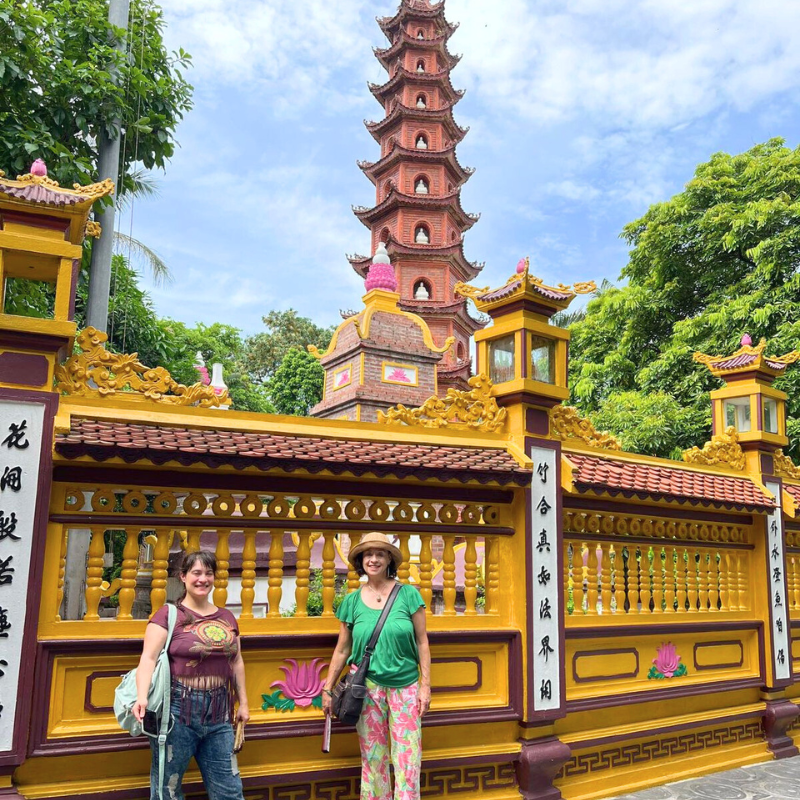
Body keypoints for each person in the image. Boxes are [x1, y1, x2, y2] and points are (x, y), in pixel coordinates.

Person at [132, 550, 249, 800]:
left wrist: (244, 704)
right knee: (168, 789)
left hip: (220, 714)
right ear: (183, 577)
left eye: (208, 573)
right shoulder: (167, 615)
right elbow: (148, 659)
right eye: (196, 573)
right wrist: (142, 697)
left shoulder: (226, 617)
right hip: (177, 712)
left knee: (229, 789)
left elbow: (237, 661)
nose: (202, 579)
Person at [322, 532, 431, 800]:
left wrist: (425, 686)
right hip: (365, 688)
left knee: (408, 758)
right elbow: (342, 649)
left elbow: (422, 642)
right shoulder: (351, 601)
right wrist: (327, 689)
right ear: (361, 560)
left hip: (405, 687)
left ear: (388, 560)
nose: (373, 559)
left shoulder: (408, 595)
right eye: (368, 554)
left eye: (380, 554)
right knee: (373, 757)